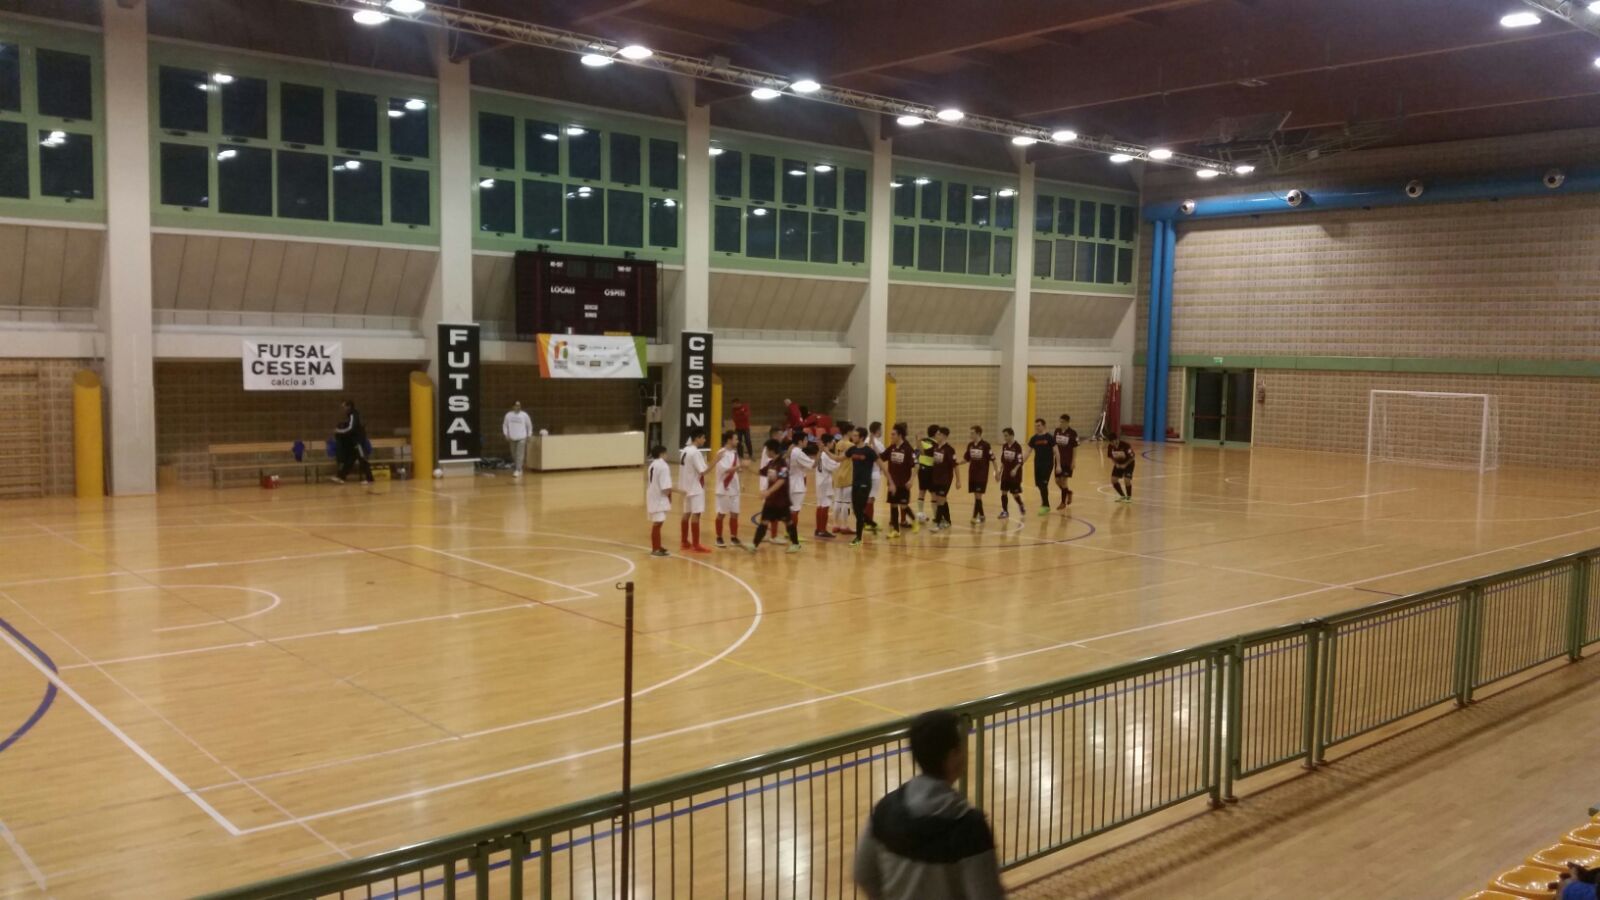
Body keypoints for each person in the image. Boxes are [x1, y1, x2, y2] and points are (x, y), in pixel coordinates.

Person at [853, 709, 1003, 900]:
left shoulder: (885, 809)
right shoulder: (970, 827)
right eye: (960, 748)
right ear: (952, 757)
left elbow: (863, 874)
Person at [745, 439, 800, 554]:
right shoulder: (771, 464)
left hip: (782, 501)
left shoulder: (782, 464)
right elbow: (760, 472)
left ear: (772, 451)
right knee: (763, 522)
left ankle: (795, 544)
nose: (766, 453)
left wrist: (768, 491)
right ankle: (754, 544)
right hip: (771, 501)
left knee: (788, 522)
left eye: (767, 451)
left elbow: (781, 480)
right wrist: (747, 468)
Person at [845, 427, 884, 547]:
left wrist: (891, 481)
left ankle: (858, 537)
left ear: (861, 437)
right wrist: (824, 450)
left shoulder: (869, 451)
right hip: (855, 483)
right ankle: (871, 524)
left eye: (856, 435)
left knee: (859, 510)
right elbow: (838, 458)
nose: (853, 437)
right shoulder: (852, 449)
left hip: (865, 483)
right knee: (856, 510)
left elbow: (882, 465)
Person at [679, 430, 712, 553]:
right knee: (696, 514)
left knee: (686, 513)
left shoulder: (685, 450)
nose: (704, 440)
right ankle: (696, 544)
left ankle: (684, 541)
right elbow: (703, 471)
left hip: (685, 487)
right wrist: (717, 460)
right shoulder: (695, 452)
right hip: (695, 487)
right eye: (703, 438)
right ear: (697, 438)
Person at [884, 424, 918, 539]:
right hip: (893, 484)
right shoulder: (892, 447)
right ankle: (895, 530)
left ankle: (914, 520)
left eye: (893, 434)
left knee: (903, 506)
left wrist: (911, 480)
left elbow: (916, 465)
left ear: (900, 435)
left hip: (904, 483)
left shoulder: (908, 449)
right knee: (893, 505)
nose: (891, 436)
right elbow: (881, 456)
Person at [330, 399, 373, 484]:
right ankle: (341, 477)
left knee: (362, 459)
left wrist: (339, 431)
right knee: (349, 460)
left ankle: (369, 479)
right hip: (353, 442)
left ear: (349, 406)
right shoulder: (351, 415)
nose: (344, 408)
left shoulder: (353, 414)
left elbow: (351, 428)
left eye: (345, 406)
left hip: (358, 441)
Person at [712, 432, 744, 548]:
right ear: (729, 440)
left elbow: (737, 470)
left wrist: (741, 481)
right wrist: (740, 466)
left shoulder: (735, 453)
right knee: (721, 513)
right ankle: (719, 537)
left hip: (735, 488)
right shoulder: (721, 453)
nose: (737, 441)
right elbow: (725, 470)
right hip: (724, 488)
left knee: (735, 513)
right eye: (736, 439)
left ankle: (733, 537)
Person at [644, 444, 674, 558]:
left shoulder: (652, 465)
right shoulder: (663, 466)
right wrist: (672, 493)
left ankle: (657, 545)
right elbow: (665, 486)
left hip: (653, 495)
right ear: (662, 453)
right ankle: (655, 548)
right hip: (659, 497)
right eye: (666, 453)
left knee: (659, 522)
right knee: (657, 523)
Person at [928, 427, 960, 531]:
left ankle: (938, 524)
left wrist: (958, 480)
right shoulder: (936, 447)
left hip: (945, 479)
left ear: (944, 436)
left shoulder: (950, 450)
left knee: (940, 501)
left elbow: (955, 465)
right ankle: (947, 521)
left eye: (938, 434)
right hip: (936, 478)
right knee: (941, 500)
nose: (937, 436)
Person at [813, 434, 842, 539]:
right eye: (832, 442)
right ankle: (822, 530)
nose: (833, 444)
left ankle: (818, 529)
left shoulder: (821, 453)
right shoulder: (825, 455)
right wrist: (843, 461)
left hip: (819, 481)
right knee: (825, 505)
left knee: (820, 505)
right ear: (828, 443)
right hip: (824, 483)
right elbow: (833, 466)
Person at [1025, 419, 1055, 515]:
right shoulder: (1034, 438)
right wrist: (1020, 462)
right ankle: (1045, 503)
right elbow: (1028, 452)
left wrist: (1058, 465)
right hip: (1037, 464)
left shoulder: (1049, 437)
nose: (1037, 428)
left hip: (1048, 464)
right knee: (1039, 484)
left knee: (1043, 484)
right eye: (1036, 426)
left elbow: (1056, 452)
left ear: (1044, 426)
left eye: (1039, 425)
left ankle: (1045, 505)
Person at [964, 426, 992, 525]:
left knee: (978, 496)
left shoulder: (985, 445)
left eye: (972, 433)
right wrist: (956, 463)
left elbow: (993, 459)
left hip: (982, 474)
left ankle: (974, 516)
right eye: (970, 433)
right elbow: (967, 458)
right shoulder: (970, 445)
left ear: (978, 433)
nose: (970, 435)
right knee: (976, 496)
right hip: (972, 474)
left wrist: (997, 472)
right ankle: (982, 515)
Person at [997, 427, 1026, 519]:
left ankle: (1020, 504)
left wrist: (1015, 469)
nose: (1004, 438)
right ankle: (1005, 511)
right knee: (1003, 492)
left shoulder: (1017, 446)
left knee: (1015, 494)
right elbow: (1003, 460)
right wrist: (999, 471)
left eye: (1006, 436)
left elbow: (1020, 460)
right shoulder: (1004, 446)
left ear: (1011, 435)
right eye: (1004, 436)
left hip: (1015, 475)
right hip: (1006, 474)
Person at [1053, 414, 1080, 510]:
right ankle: (1068, 492)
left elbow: (1075, 448)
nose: (1060, 423)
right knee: (1057, 481)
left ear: (1067, 422)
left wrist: (1073, 461)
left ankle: (1063, 503)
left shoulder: (1073, 433)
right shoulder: (1057, 431)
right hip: (1058, 461)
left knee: (1064, 481)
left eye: (1062, 422)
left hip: (1067, 461)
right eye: (1060, 421)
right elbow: (1054, 445)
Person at [501, 401, 534, 479]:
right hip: (512, 437)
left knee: (520, 454)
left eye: (519, 405)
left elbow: (529, 425)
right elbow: (505, 425)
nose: (518, 407)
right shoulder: (508, 415)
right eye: (516, 405)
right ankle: (519, 468)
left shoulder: (524, 415)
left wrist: (529, 435)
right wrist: (506, 434)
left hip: (522, 437)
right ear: (513, 407)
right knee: (514, 454)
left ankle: (517, 470)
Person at [916, 424, 939, 521]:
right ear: (935, 433)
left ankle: (920, 513)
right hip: (929, 469)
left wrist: (918, 440)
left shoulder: (922, 441)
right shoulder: (935, 445)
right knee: (933, 493)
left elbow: (916, 452)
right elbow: (924, 452)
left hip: (922, 468)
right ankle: (935, 516)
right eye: (938, 433)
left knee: (922, 491)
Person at [1107, 432, 1136, 503]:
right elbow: (1111, 457)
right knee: (1113, 480)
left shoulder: (1126, 445)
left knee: (1127, 480)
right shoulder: (1110, 446)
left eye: (1114, 441)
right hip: (1119, 463)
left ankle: (1129, 498)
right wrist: (1116, 464)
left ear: (1116, 440)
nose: (1113, 443)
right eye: (1111, 442)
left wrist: (1125, 465)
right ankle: (1122, 496)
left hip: (1129, 464)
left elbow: (1132, 457)